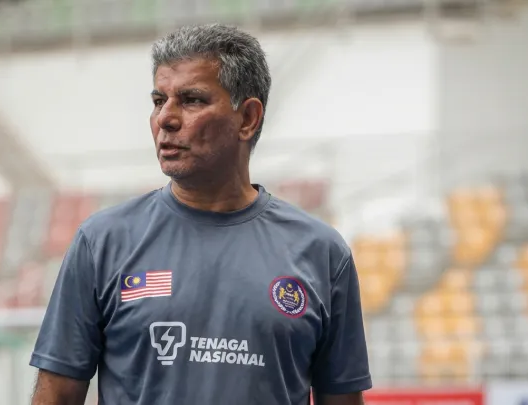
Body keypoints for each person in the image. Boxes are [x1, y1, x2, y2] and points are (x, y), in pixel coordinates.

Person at [29, 23, 372, 405]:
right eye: (159, 100)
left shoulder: (322, 253)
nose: (165, 118)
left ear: (248, 118)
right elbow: (56, 396)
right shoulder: (102, 242)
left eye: (191, 100)